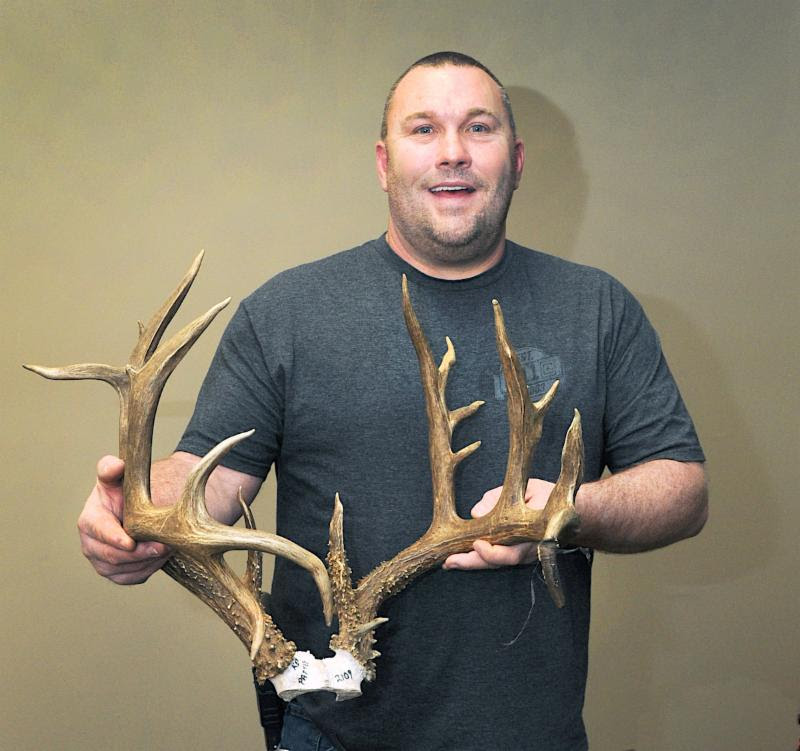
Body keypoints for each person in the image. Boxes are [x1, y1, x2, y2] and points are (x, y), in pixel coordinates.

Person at [79, 52, 707, 750]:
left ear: (517, 158)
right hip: (331, 732)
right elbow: (211, 476)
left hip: (532, 733)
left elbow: (682, 488)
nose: (453, 153)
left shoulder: (597, 307)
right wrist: (133, 514)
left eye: (479, 128)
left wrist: (568, 509)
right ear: (384, 162)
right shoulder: (286, 312)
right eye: (423, 130)